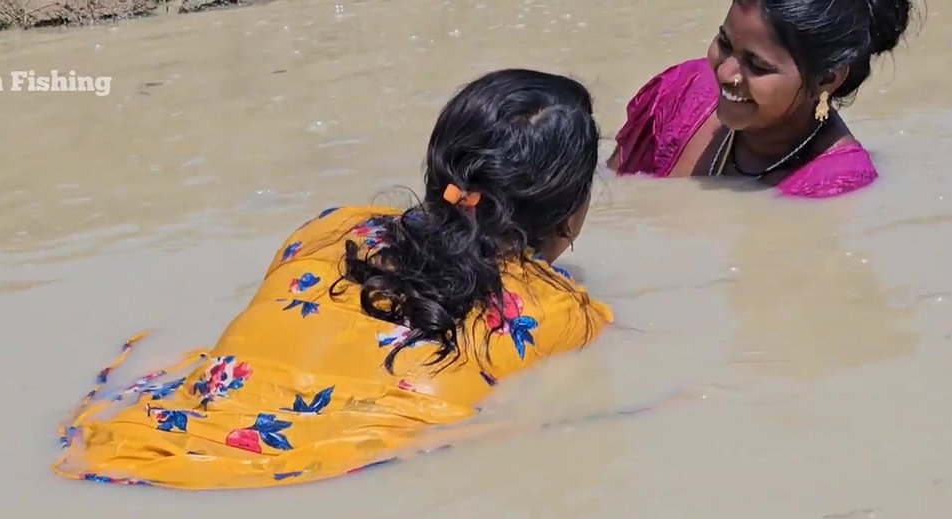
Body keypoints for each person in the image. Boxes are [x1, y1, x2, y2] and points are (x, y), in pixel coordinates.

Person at [53, 69, 612, 490]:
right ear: (572, 207)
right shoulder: (562, 311)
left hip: (142, 435)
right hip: (328, 466)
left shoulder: (332, 230)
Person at [608, 0, 914, 198]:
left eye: (757, 65)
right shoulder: (684, 88)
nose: (726, 73)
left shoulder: (832, 185)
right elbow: (608, 194)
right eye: (725, 44)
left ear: (827, 78)